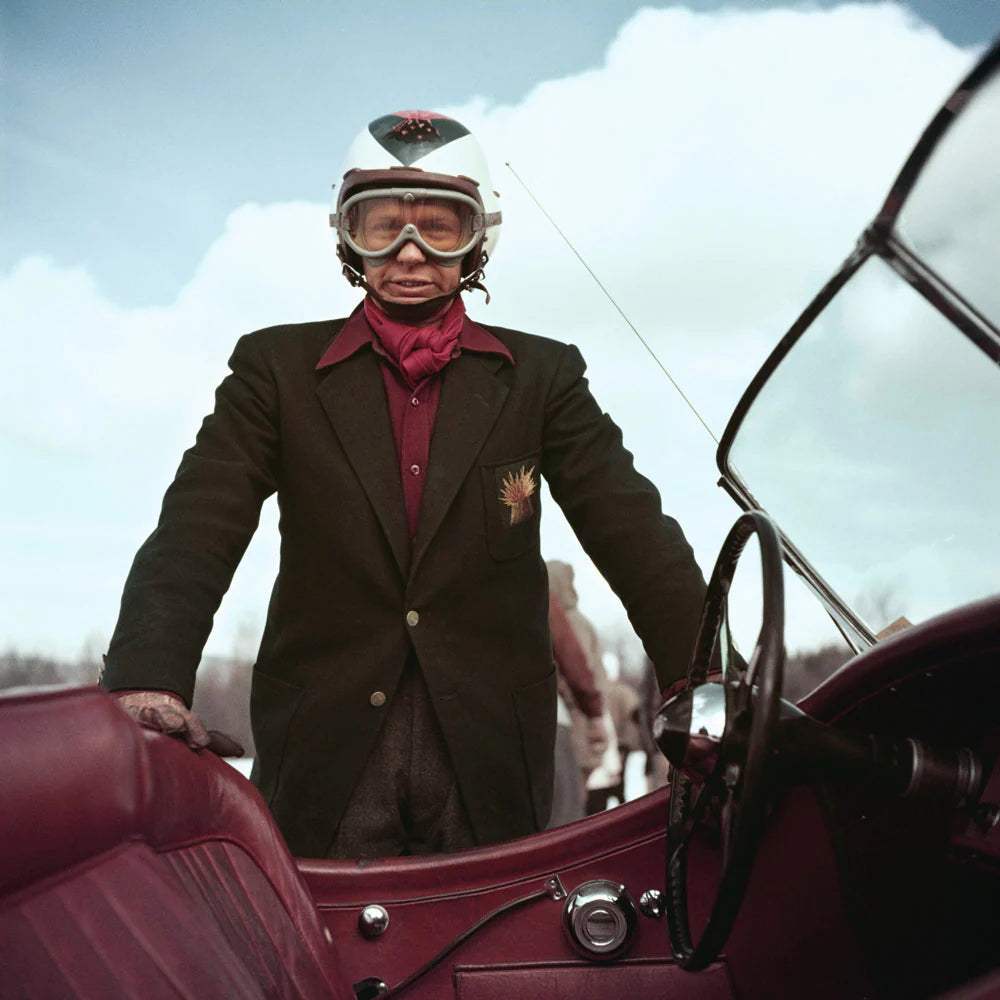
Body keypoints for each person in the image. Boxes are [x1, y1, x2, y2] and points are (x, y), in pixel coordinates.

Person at [101, 110, 708, 859]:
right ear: (345, 237)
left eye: (440, 227)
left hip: (488, 749)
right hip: (327, 745)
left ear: (480, 234)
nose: (410, 253)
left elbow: (630, 525)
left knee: (490, 949)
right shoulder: (275, 372)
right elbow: (198, 526)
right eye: (382, 225)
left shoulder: (542, 377)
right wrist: (147, 679)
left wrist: (705, 677)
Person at [547, 588, 607, 827]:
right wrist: (594, 711)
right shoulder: (531, 582)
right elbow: (574, 662)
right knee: (564, 817)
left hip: (476, 718)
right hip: (551, 715)